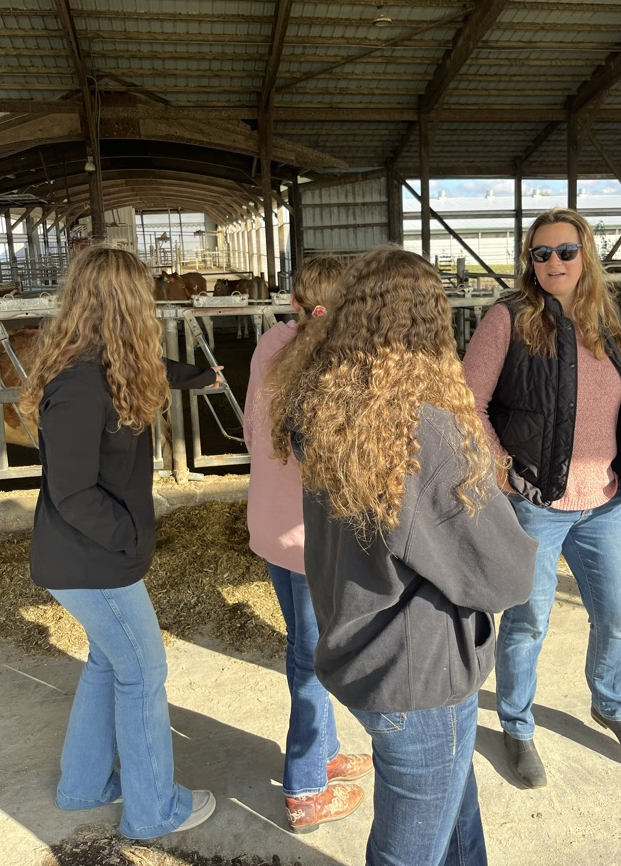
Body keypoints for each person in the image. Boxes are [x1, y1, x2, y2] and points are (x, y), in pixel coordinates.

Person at [267, 245, 537, 866]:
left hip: (363, 654)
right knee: (407, 850)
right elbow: (505, 573)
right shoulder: (425, 435)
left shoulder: (327, 409)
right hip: (419, 679)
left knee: (454, 809)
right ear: (431, 324)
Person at [20, 244, 223, 840]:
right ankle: (153, 809)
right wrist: (130, 536)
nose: (152, 305)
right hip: (92, 561)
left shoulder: (106, 364)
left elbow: (157, 370)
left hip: (88, 557)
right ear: (124, 304)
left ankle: (82, 785)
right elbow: (73, 491)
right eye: (144, 295)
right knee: (143, 672)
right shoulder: (81, 386)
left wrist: (202, 377)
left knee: (109, 665)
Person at [462, 207, 621, 790]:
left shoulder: (603, 317)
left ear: (585, 254)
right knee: (527, 623)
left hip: (603, 502)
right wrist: (500, 468)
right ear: (529, 261)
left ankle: (610, 704)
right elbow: (464, 402)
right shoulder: (508, 318)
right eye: (540, 254)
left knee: (620, 617)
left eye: (565, 251)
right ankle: (517, 725)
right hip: (536, 504)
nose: (553, 263)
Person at [243, 254, 373, 833]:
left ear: (294, 301)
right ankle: (305, 788)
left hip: (273, 525)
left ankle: (325, 752)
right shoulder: (341, 361)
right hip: (313, 540)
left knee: (305, 644)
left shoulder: (272, 342)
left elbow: (253, 429)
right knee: (313, 661)